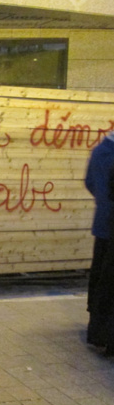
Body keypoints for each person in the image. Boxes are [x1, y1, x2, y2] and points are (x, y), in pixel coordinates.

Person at [85, 132, 114, 355]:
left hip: (103, 222)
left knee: (100, 279)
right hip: (110, 224)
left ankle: (96, 328)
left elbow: (90, 182)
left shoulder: (98, 151)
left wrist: (102, 200)